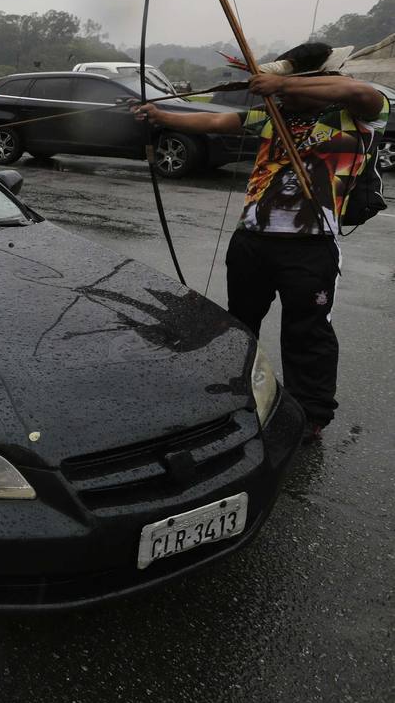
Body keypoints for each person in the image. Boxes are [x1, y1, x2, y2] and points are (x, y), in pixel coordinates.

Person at [132, 43, 384, 440]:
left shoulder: (357, 114)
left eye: (294, 83)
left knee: (308, 331)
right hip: (252, 239)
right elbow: (216, 124)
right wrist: (161, 114)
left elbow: (356, 92)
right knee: (240, 322)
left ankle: (310, 414)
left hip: (311, 244)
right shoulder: (272, 114)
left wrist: (282, 82)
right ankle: (240, 391)